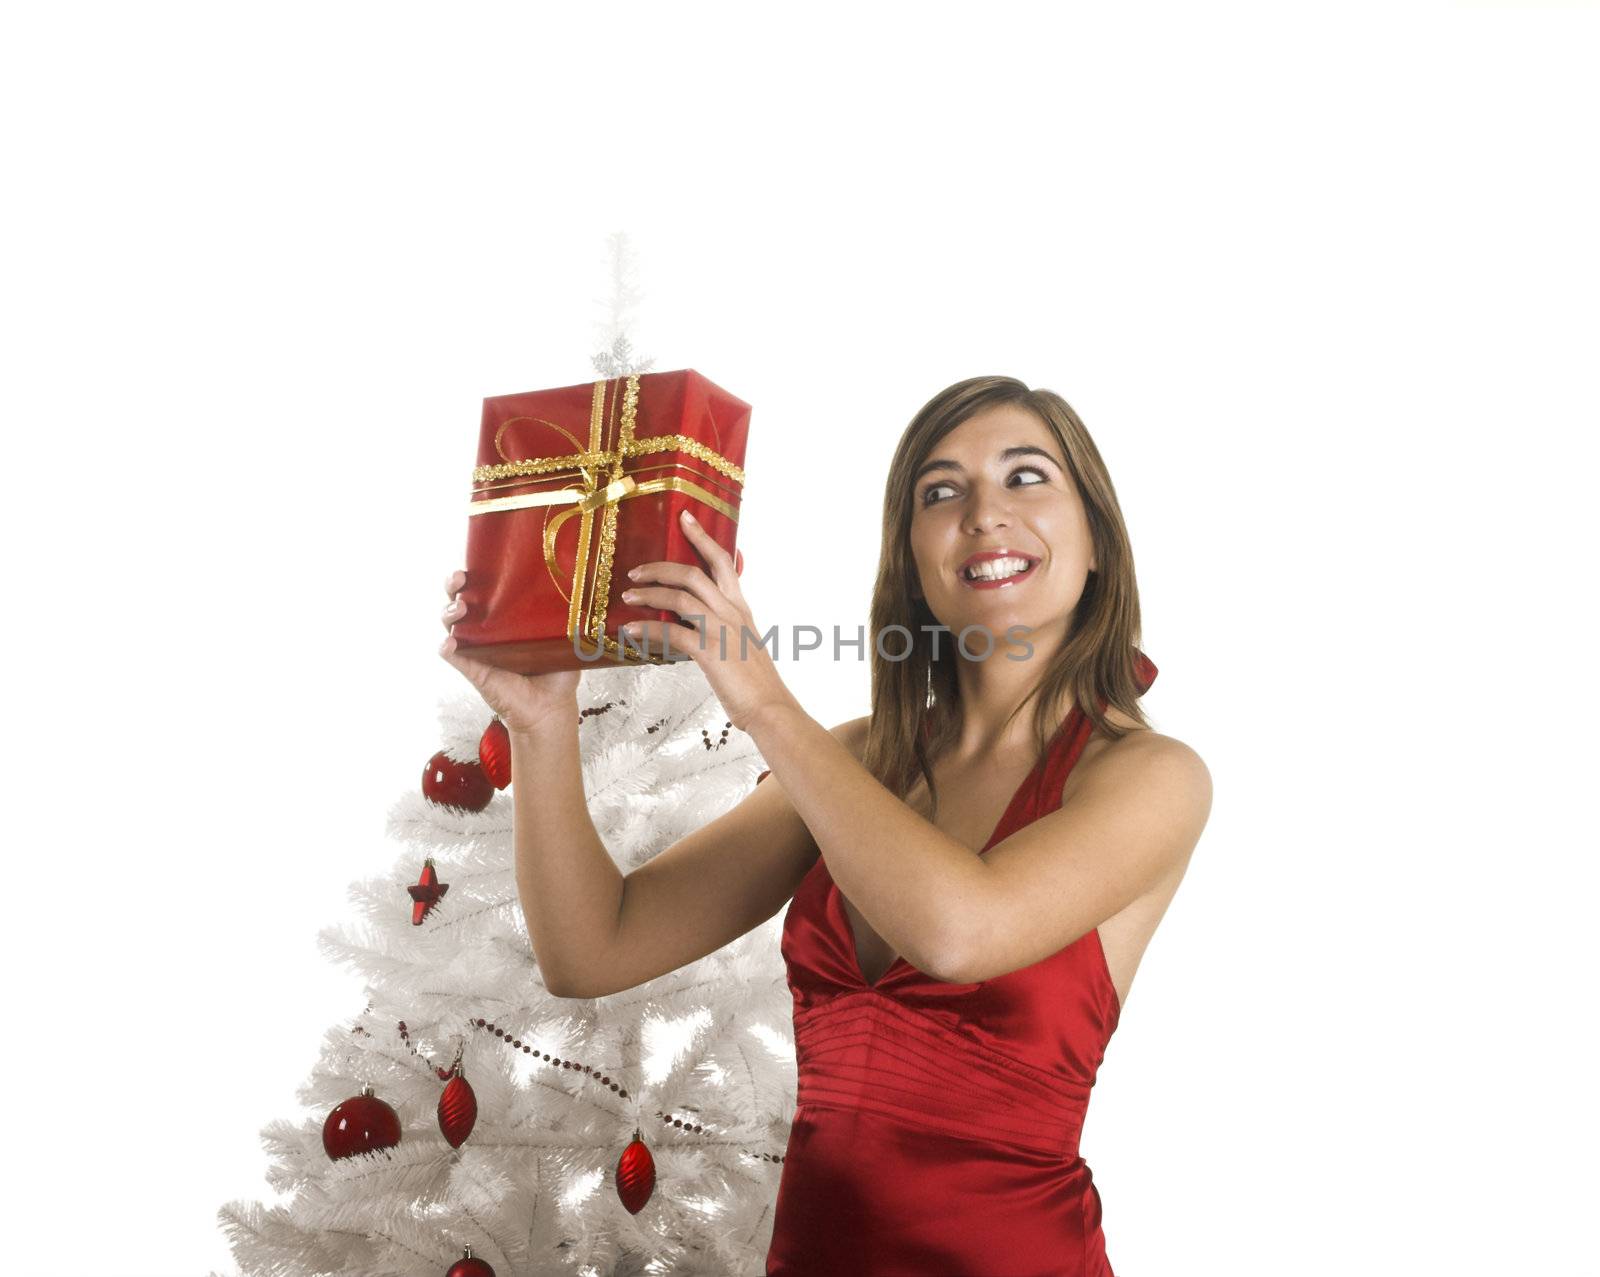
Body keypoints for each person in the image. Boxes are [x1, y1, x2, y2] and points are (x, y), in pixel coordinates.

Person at [438, 374, 1212, 1276]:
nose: (984, 514)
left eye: (1027, 476)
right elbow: (589, 948)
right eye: (940, 491)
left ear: (1098, 547)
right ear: (913, 560)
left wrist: (760, 693)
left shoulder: (1153, 777)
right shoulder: (856, 759)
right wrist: (543, 725)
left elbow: (961, 931)